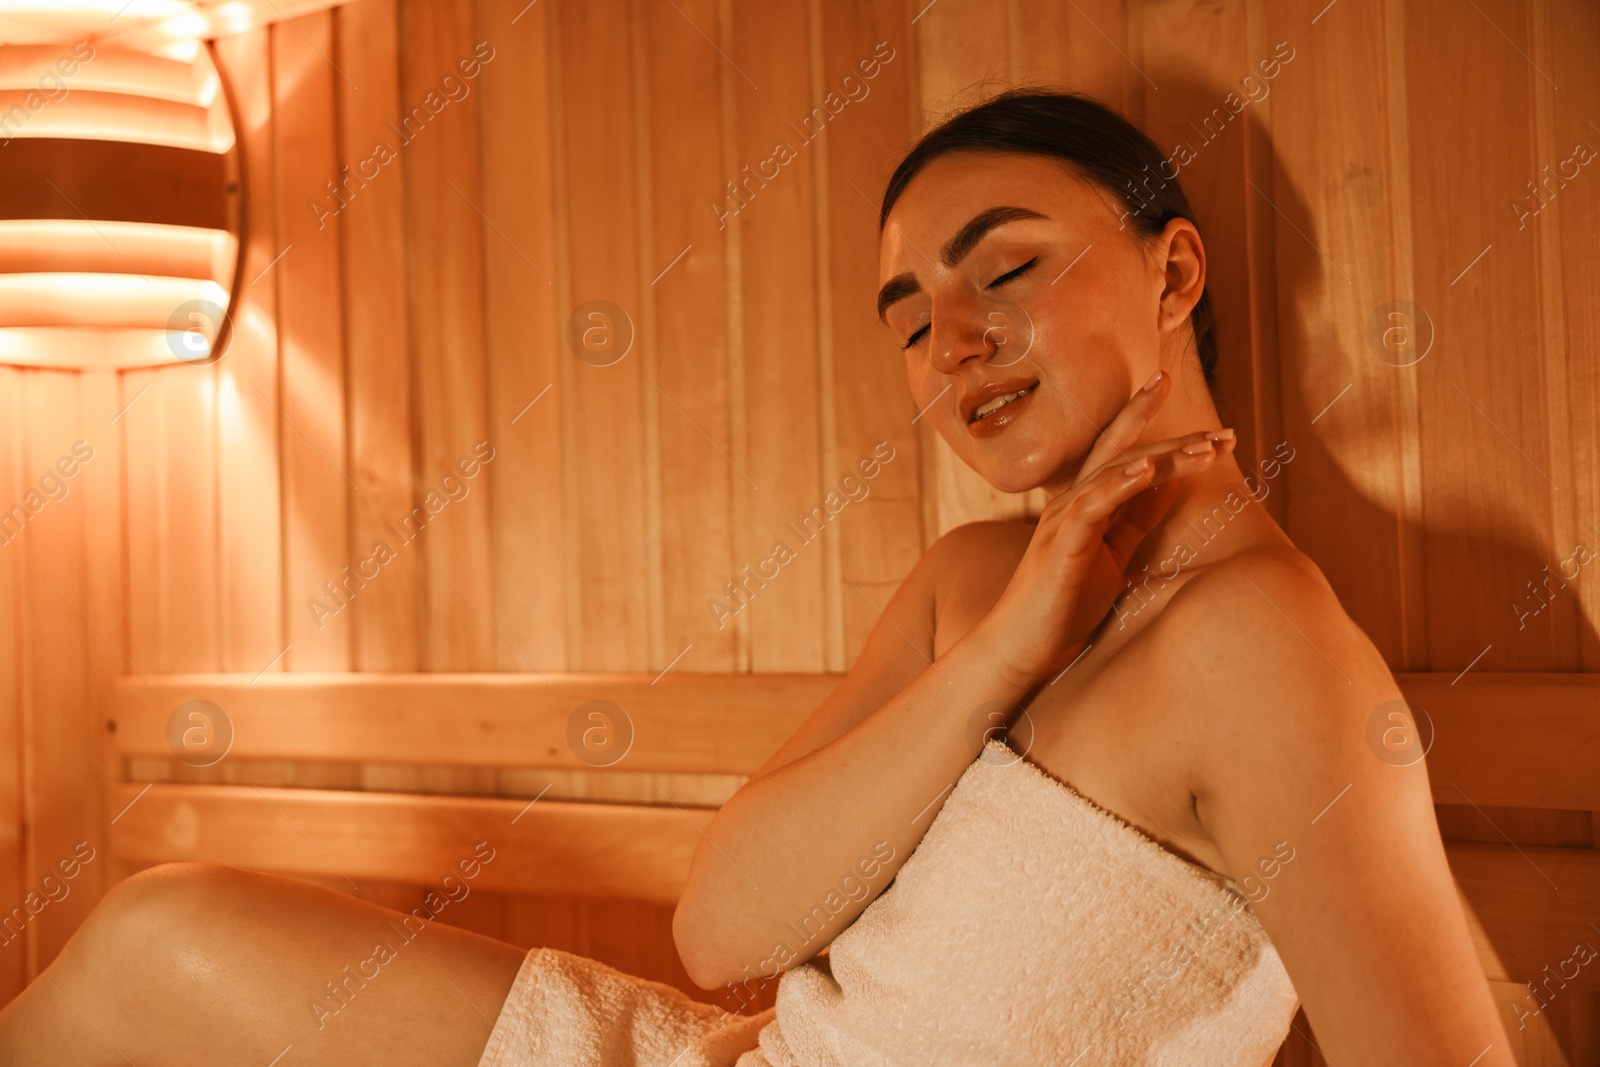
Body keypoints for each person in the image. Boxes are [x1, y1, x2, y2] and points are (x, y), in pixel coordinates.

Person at [0, 89, 1512, 1067]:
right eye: (911, 317)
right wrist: (999, 655)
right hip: (718, 1056)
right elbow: (722, 936)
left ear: (1175, 274)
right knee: (158, 933)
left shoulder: (1262, 648)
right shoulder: (971, 580)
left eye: (1004, 269)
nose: (955, 342)